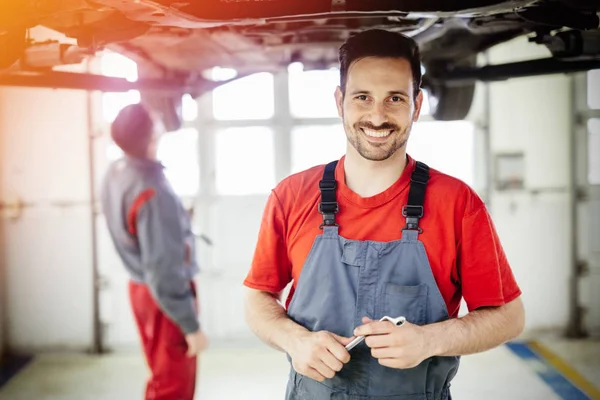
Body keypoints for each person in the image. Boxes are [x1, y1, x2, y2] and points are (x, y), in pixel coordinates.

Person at [243, 29, 525, 400]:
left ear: (417, 105)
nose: (377, 116)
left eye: (395, 98)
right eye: (362, 97)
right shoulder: (292, 196)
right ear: (340, 101)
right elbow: (258, 296)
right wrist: (293, 340)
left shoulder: (457, 203)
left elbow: (509, 317)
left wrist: (429, 340)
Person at [100, 103, 207, 400]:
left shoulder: (116, 172)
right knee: (173, 385)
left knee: (161, 376)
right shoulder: (153, 189)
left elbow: (133, 223)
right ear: (151, 136)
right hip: (166, 297)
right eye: (155, 117)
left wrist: (174, 221)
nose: (161, 117)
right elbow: (163, 271)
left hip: (141, 289)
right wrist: (191, 326)